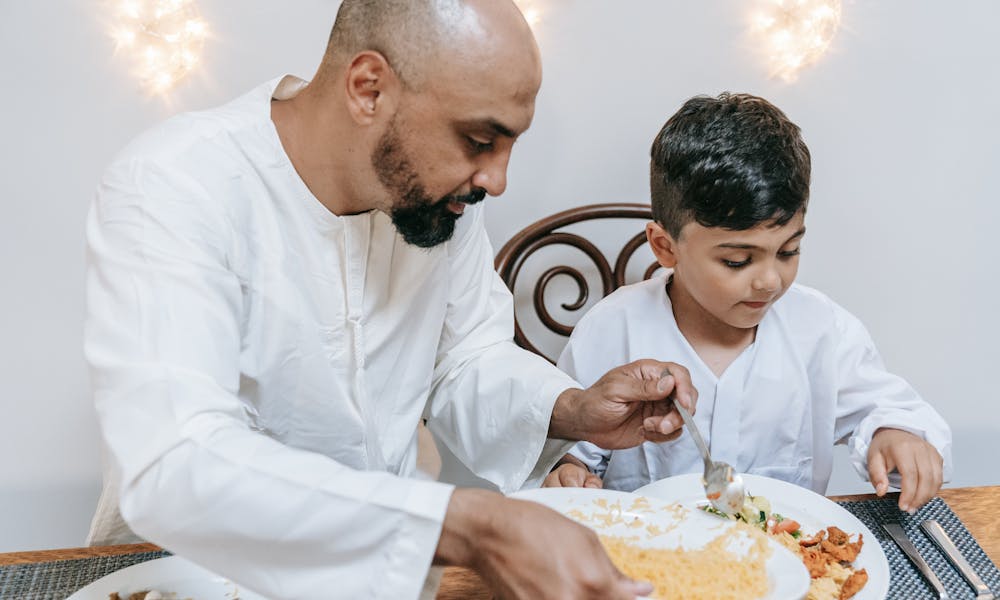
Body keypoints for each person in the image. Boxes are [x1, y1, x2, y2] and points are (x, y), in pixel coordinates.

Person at [83, 1, 698, 599]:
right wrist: (468, 525)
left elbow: (467, 358)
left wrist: (573, 407)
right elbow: (178, 460)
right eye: (480, 139)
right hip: (185, 575)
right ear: (368, 88)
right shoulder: (175, 184)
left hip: (388, 578)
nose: (498, 180)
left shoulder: (439, 202)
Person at [544, 93, 952, 515]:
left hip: (785, 562)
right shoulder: (610, 330)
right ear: (665, 248)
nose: (770, 280)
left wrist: (897, 434)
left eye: (789, 251)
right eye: (737, 260)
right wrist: (567, 469)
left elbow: (888, 408)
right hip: (648, 560)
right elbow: (568, 446)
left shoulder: (823, 332)